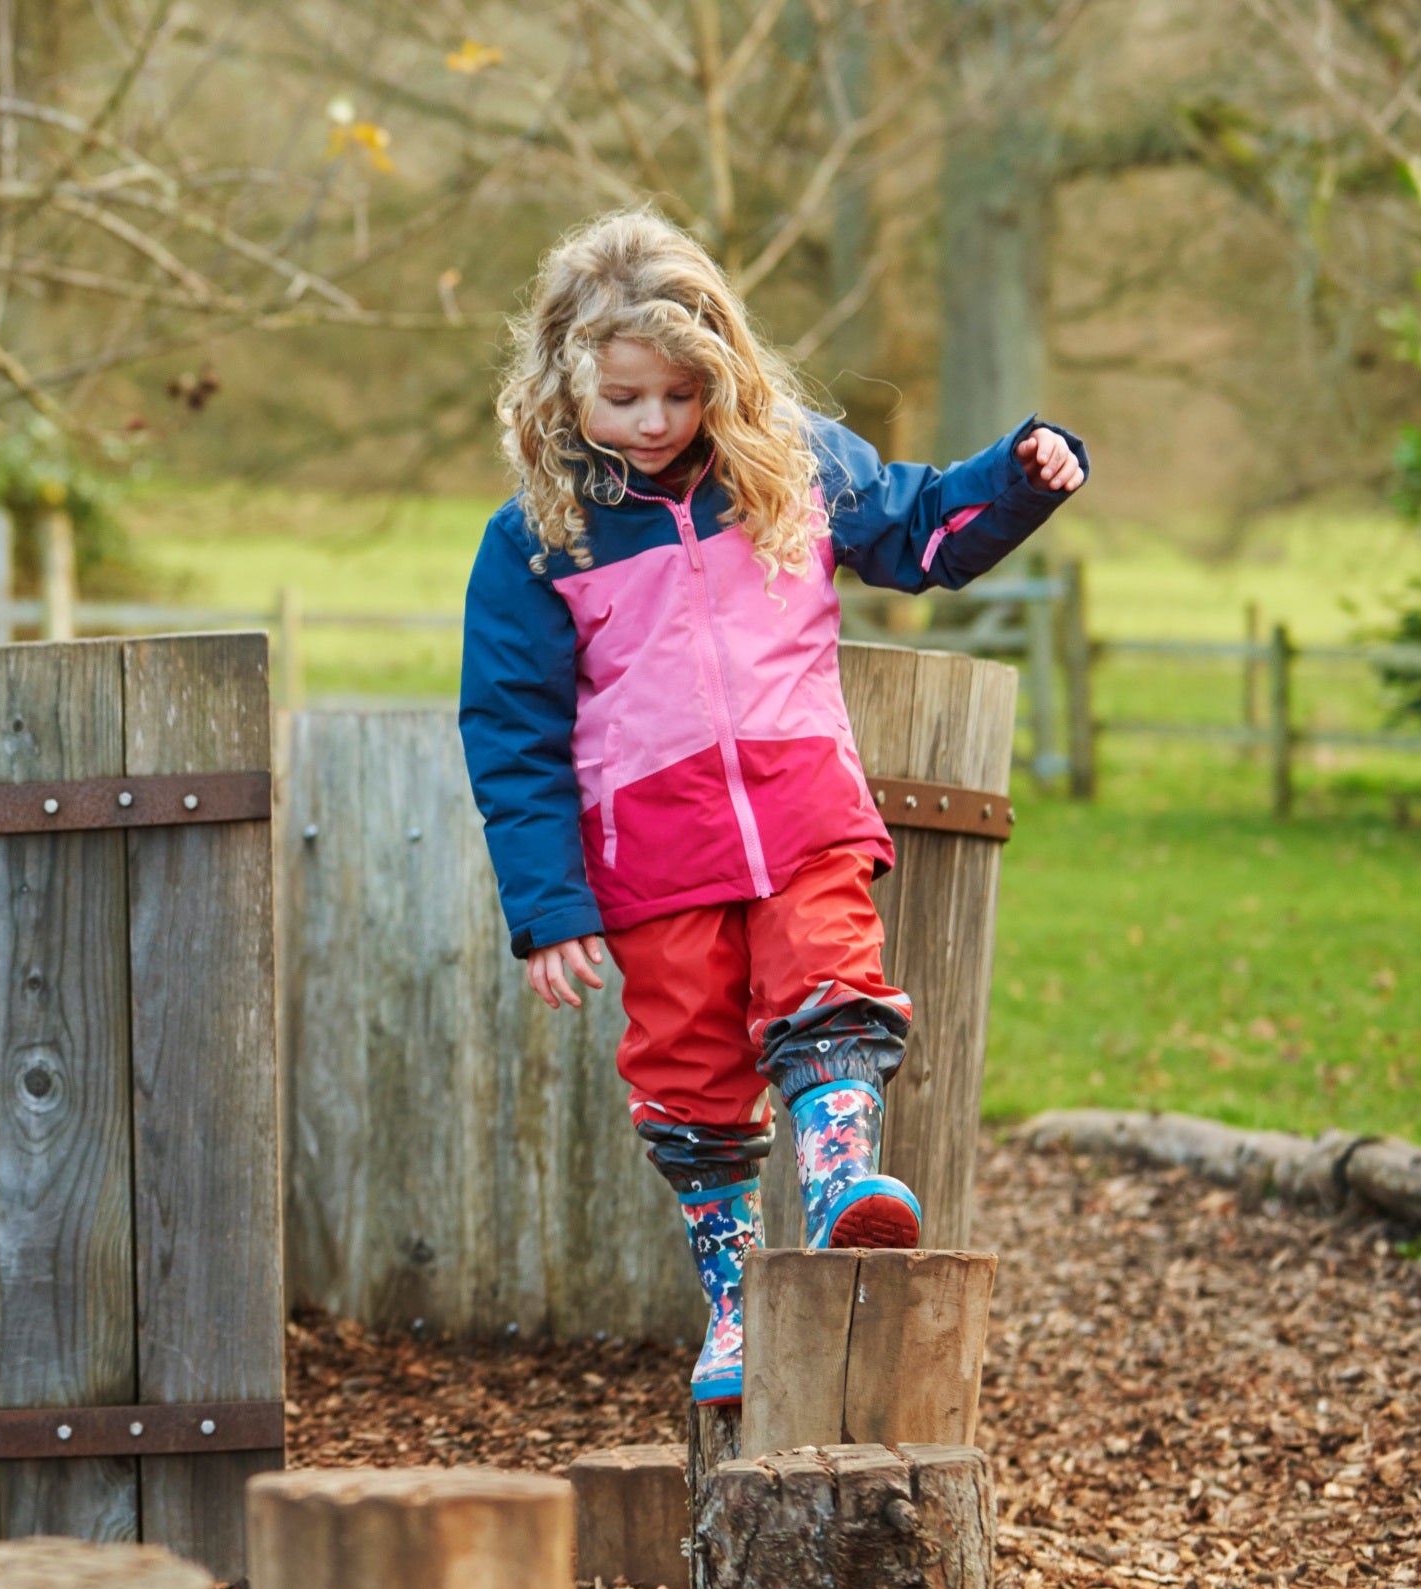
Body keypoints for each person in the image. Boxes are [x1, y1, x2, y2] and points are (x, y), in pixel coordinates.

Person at [459, 211, 1087, 1404]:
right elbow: (511, 729)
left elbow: (922, 535)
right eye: (625, 398)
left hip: (802, 810)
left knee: (829, 983)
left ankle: (846, 1182)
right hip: (650, 852)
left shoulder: (790, 468)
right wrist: (547, 905)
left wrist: (1018, 477)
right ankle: (738, 1303)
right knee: (688, 1068)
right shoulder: (540, 537)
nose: (655, 424)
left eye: (681, 395)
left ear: (723, 375)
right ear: (560, 383)